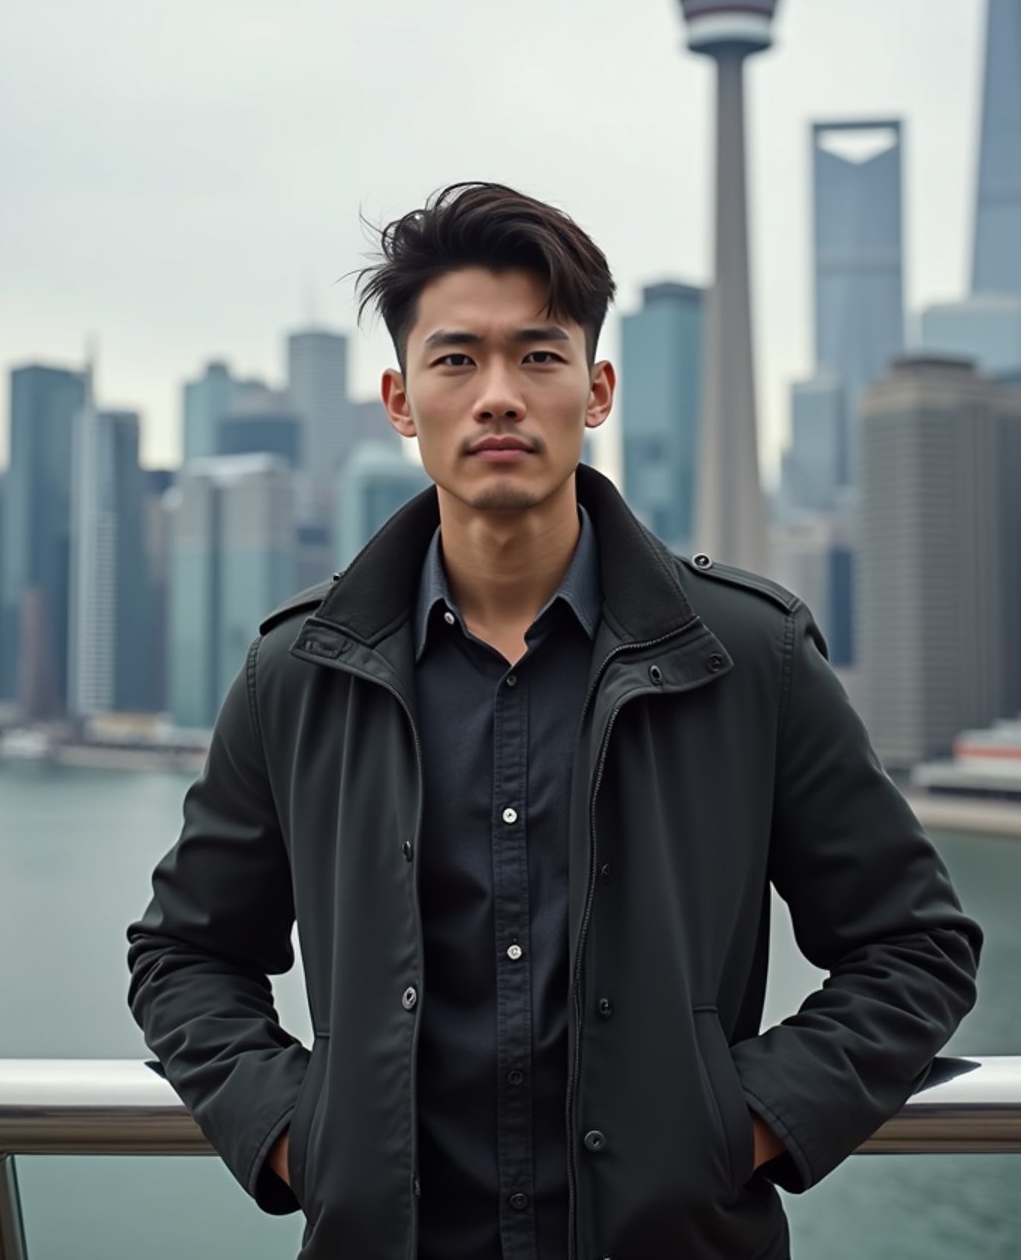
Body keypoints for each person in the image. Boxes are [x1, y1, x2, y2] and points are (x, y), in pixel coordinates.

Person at [127, 181, 981, 1260]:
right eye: (455, 360)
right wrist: (299, 1134)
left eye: (538, 356)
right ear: (399, 401)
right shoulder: (297, 672)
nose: (497, 396)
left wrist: (738, 1123)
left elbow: (914, 948)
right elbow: (185, 956)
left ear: (597, 389)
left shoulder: (747, 655)